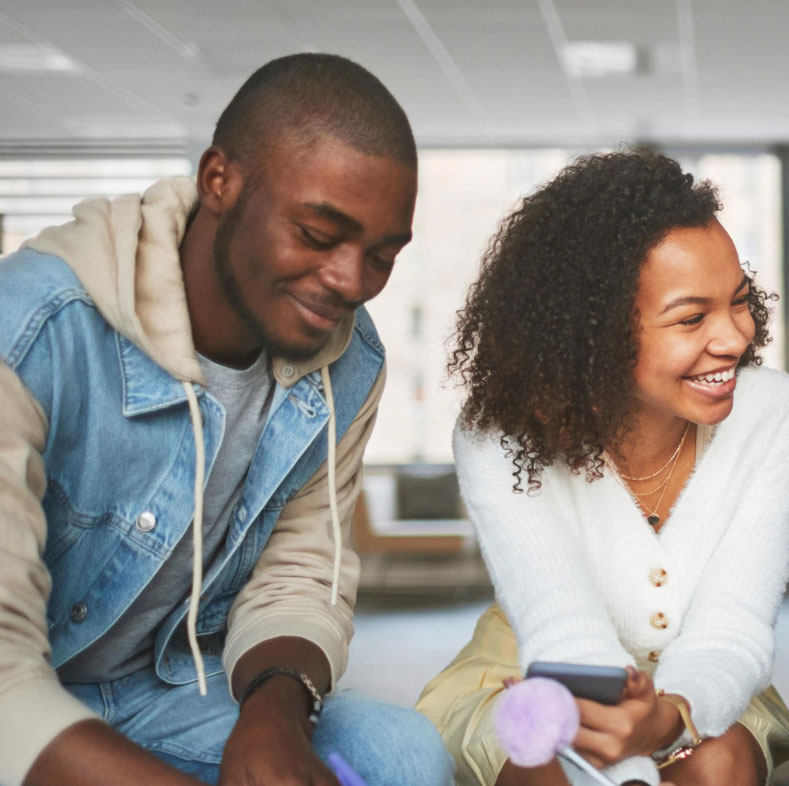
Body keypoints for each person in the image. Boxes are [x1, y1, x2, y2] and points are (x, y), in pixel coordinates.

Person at [0, 53, 454, 786]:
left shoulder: (350, 361)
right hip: (23, 690)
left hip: (163, 690)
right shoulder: (30, 330)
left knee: (399, 752)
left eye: (380, 254)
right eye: (316, 233)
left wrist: (273, 719)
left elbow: (302, 576)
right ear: (220, 181)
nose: (349, 280)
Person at [414, 149, 789, 786]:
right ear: (592, 331)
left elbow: (731, 627)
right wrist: (629, 764)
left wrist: (673, 716)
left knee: (719, 766)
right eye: (691, 318)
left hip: (711, 676)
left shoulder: (772, 413)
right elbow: (562, 635)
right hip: (537, 672)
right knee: (547, 772)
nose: (736, 338)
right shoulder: (500, 436)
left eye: (738, 302)